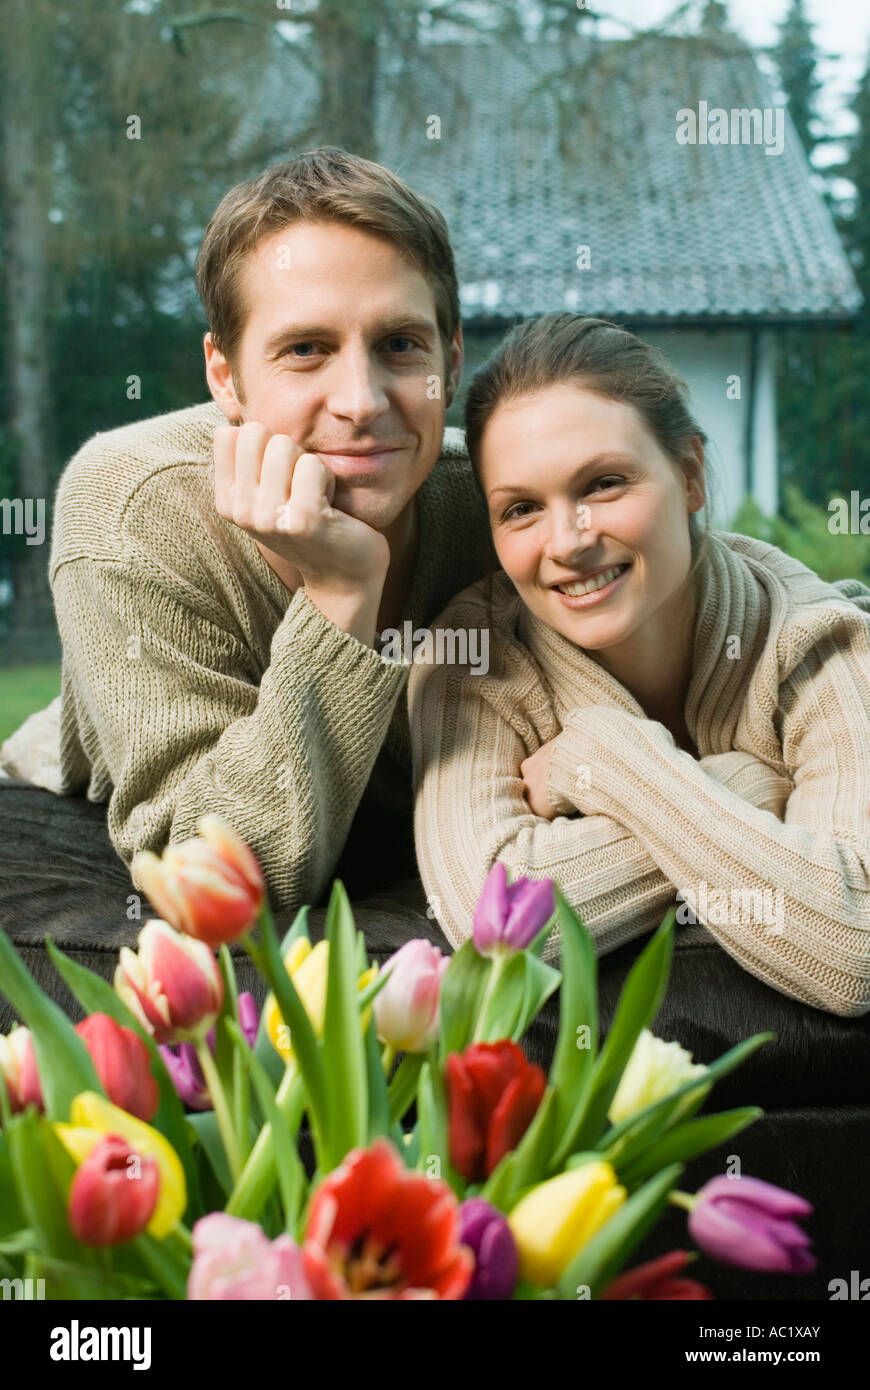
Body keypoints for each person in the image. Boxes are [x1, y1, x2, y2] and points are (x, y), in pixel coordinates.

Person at [0, 147, 497, 913]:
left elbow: (695, 567)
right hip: (91, 769)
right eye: (306, 350)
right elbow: (211, 878)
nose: (361, 402)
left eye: (400, 344)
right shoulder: (133, 506)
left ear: (452, 360)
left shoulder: (501, 499)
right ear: (224, 376)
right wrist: (339, 594)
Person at [409, 313, 870, 1018]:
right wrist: (743, 785)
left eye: (603, 484)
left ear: (689, 475)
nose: (568, 542)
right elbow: (488, 928)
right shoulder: (472, 657)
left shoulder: (814, 638)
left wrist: (604, 760)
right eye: (522, 508)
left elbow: (855, 946)